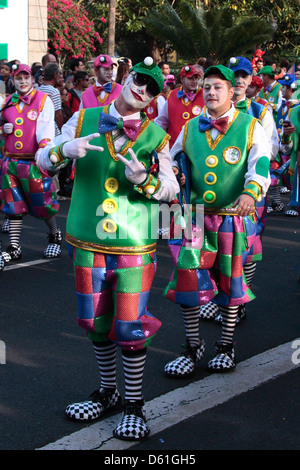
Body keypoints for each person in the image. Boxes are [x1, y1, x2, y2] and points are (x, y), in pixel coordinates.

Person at [36, 57, 179, 441]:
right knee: (96, 323)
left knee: (130, 326)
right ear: (125, 77)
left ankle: (134, 404)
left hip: (135, 243)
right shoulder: (83, 119)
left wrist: (145, 179)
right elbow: (41, 158)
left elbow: (172, 189)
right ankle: (108, 392)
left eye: (151, 89)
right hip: (87, 242)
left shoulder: (157, 137)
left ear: (153, 101)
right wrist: (63, 152)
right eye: (138, 80)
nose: (141, 89)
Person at [164, 64, 271, 375]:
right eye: (207, 87)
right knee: (187, 281)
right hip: (192, 217)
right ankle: (192, 344)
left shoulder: (251, 127)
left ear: (231, 93)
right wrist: (173, 175)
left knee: (230, 282)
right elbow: (169, 160)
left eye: (217, 87)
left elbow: (260, 164)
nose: (210, 92)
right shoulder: (188, 128)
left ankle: (226, 344)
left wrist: (251, 192)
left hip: (231, 219)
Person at [200, 57, 277, 323]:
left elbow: (271, 149)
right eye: (236, 75)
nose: (240, 79)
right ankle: (219, 297)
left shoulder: (260, 111)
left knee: (247, 249)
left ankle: (239, 299)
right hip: (212, 199)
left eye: (245, 75)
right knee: (213, 249)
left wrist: (248, 182)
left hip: (250, 192)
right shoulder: (204, 115)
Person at [0, 64, 62, 263]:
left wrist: (43, 152)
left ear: (33, 80)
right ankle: (15, 246)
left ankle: (54, 235)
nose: (23, 82)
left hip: (32, 162)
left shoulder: (43, 100)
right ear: (14, 80)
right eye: (19, 78)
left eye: (26, 78)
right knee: (13, 204)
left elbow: (46, 130)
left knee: (42, 203)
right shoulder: (8, 102)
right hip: (10, 162)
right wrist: (2, 129)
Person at [270, 74, 300, 215]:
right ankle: (277, 202)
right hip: (286, 149)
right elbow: (287, 148)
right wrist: (286, 136)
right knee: (274, 174)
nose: (282, 90)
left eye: (285, 87)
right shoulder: (290, 109)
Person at [154, 65, 204, 148]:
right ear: (182, 79)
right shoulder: (172, 95)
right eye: (190, 78)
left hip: (197, 148)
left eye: (196, 78)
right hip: (173, 148)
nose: (194, 81)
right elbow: (161, 121)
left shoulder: (204, 95)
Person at [38, 62, 64, 136]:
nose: (60, 76)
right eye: (59, 73)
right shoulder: (54, 92)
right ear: (55, 75)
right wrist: (61, 132)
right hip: (52, 131)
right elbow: (58, 115)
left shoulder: (37, 90)